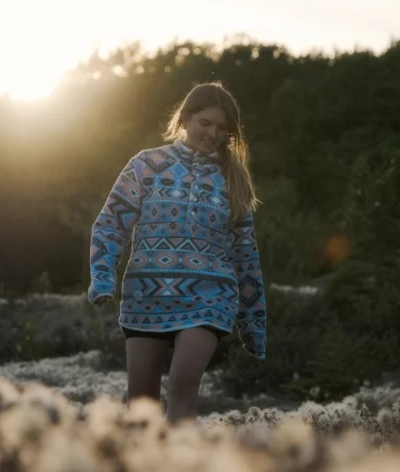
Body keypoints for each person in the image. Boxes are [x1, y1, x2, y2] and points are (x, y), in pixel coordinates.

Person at [87, 81, 267, 424]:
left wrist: (253, 322)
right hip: (146, 296)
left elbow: (246, 255)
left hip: (209, 298)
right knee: (142, 408)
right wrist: (102, 276)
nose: (213, 133)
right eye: (205, 123)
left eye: (223, 128)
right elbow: (111, 225)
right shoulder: (145, 165)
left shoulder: (233, 179)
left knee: (183, 388)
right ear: (185, 119)